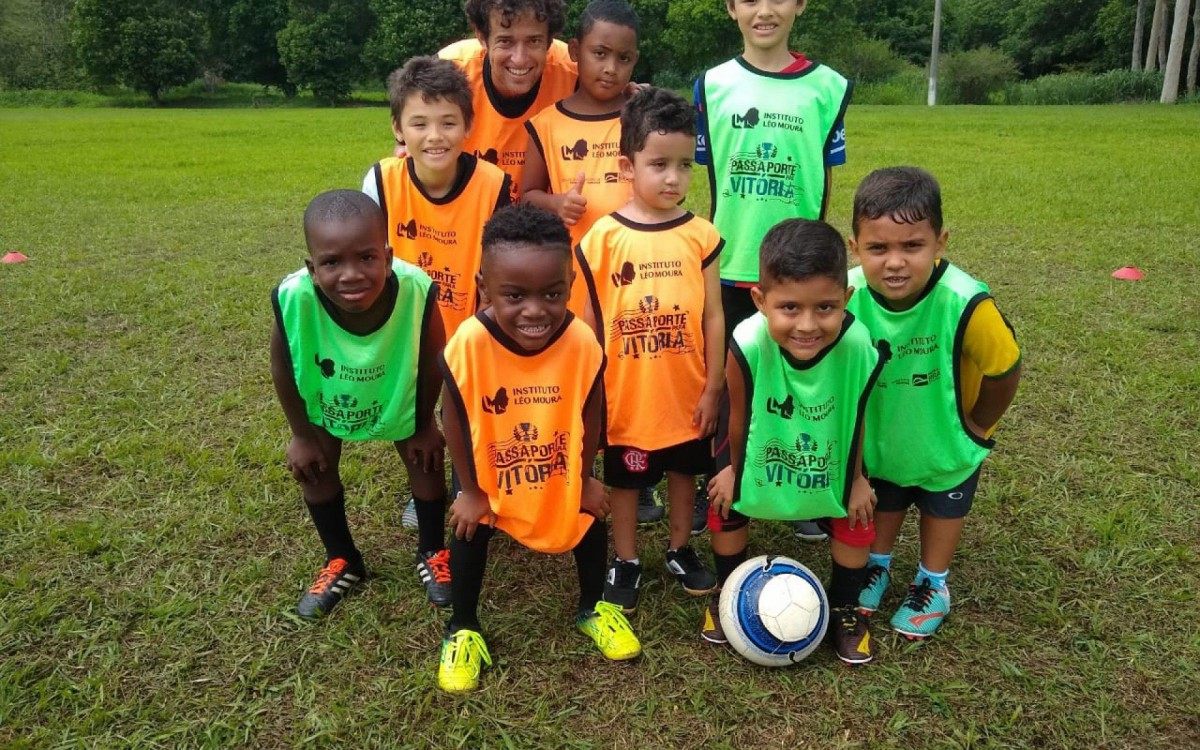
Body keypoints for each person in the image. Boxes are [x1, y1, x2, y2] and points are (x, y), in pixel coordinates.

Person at [436, 203, 641, 693]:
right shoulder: (469, 343)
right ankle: (462, 627)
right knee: (470, 528)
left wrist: (587, 476)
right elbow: (455, 418)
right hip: (490, 474)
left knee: (587, 516)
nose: (535, 310)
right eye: (514, 295)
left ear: (571, 282)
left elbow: (592, 411)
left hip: (557, 463)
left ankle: (593, 607)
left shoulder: (581, 341)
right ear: (484, 286)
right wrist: (469, 489)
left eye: (552, 293)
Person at [693, 0, 852, 541]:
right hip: (732, 265)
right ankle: (716, 481)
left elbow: (825, 183)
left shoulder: (828, 87)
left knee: (800, 383)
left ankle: (803, 487)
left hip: (798, 278)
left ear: (801, 4)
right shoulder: (710, 86)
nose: (765, 10)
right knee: (726, 382)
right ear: (731, 8)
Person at [361, 56, 512, 604]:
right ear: (398, 129)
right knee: (417, 424)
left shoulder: (494, 183)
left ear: (468, 126)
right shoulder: (381, 178)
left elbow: (499, 265)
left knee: (470, 420)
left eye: (448, 122)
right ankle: (427, 500)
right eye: (419, 123)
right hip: (409, 334)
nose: (435, 136)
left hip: (469, 333)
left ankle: (469, 491)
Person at [846, 166, 1021, 640]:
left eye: (912, 246)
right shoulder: (846, 296)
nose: (895, 262)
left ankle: (932, 583)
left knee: (942, 509)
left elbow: (1005, 368)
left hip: (944, 443)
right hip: (882, 440)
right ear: (855, 246)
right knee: (885, 501)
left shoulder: (966, 301)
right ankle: (876, 568)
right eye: (878, 248)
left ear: (940, 242)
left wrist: (977, 424)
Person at [706, 219, 888, 664]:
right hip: (764, 449)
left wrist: (858, 477)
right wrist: (732, 469)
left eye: (825, 307)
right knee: (721, 498)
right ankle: (726, 588)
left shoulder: (858, 344)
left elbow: (856, 413)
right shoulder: (746, 342)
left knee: (859, 506)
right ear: (761, 301)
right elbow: (737, 415)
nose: (807, 325)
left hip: (825, 453)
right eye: (789, 308)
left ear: (846, 300)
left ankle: (846, 608)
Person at [576, 87, 723, 612]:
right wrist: (592, 396)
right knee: (625, 479)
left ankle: (681, 548)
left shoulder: (701, 235)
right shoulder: (602, 238)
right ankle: (627, 558)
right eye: (659, 163)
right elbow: (588, 324)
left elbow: (712, 315)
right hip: (627, 397)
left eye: (685, 165)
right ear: (626, 165)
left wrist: (714, 386)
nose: (673, 178)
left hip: (686, 395)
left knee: (685, 474)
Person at [269, 190, 446, 620]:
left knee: (425, 459)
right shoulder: (294, 297)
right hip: (329, 391)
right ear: (313, 268)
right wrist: (299, 433)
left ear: (386, 255)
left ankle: (434, 551)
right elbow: (283, 363)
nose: (351, 275)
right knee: (315, 465)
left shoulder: (417, 290)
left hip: (396, 386)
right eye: (332, 263)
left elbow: (432, 358)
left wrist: (424, 423)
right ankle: (342, 559)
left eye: (367, 258)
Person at [522, 0, 640, 250]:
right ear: (575, 51)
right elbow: (527, 195)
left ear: (635, 60)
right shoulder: (546, 124)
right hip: (573, 264)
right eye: (600, 53)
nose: (611, 68)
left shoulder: (642, 117)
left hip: (636, 259)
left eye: (624, 58)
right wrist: (557, 204)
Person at [439, 0, 578, 198]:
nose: (519, 58)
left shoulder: (574, 72)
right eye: (505, 41)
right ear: (482, 37)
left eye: (534, 41)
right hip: (467, 216)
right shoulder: (450, 71)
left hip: (546, 221)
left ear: (549, 40)